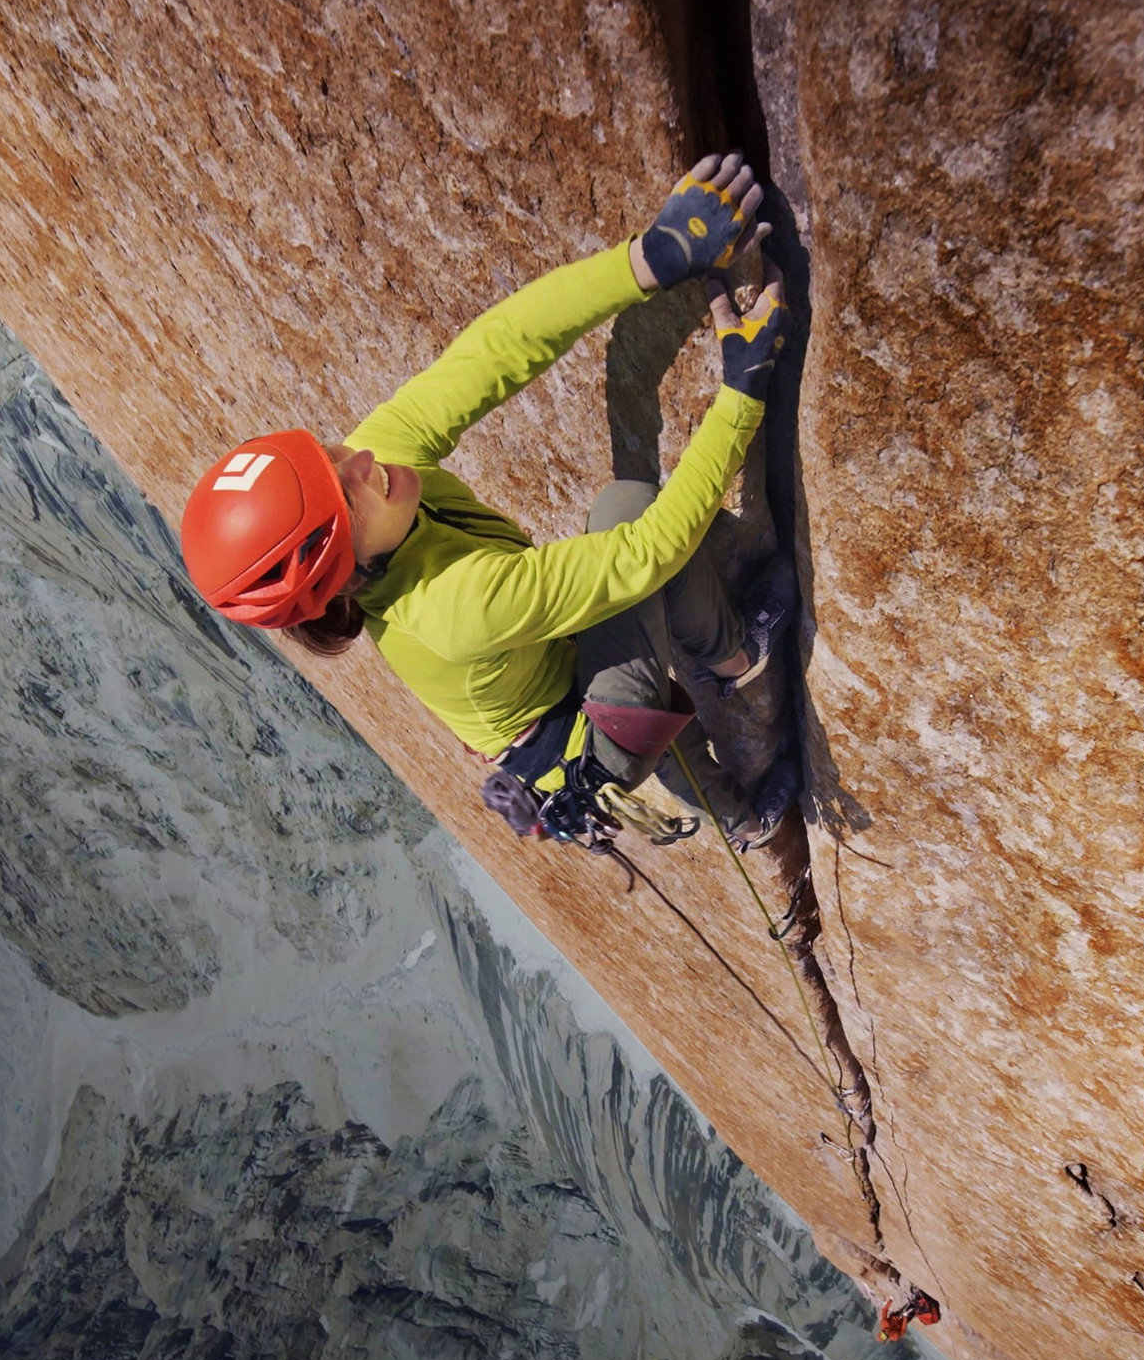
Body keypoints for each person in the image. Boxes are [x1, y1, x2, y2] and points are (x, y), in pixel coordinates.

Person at [180, 153, 798, 850]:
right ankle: (736, 666)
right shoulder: (453, 609)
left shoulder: (374, 462)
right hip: (585, 740)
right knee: (626, 516)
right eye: (346, 494)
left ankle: (738, 806)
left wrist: (645, 261)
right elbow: (644, 553)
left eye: (330, 455)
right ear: (345, 574)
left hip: (549, 665)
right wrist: (742, 392)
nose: (364, 461)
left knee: (629, 643)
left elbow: (496, 351)